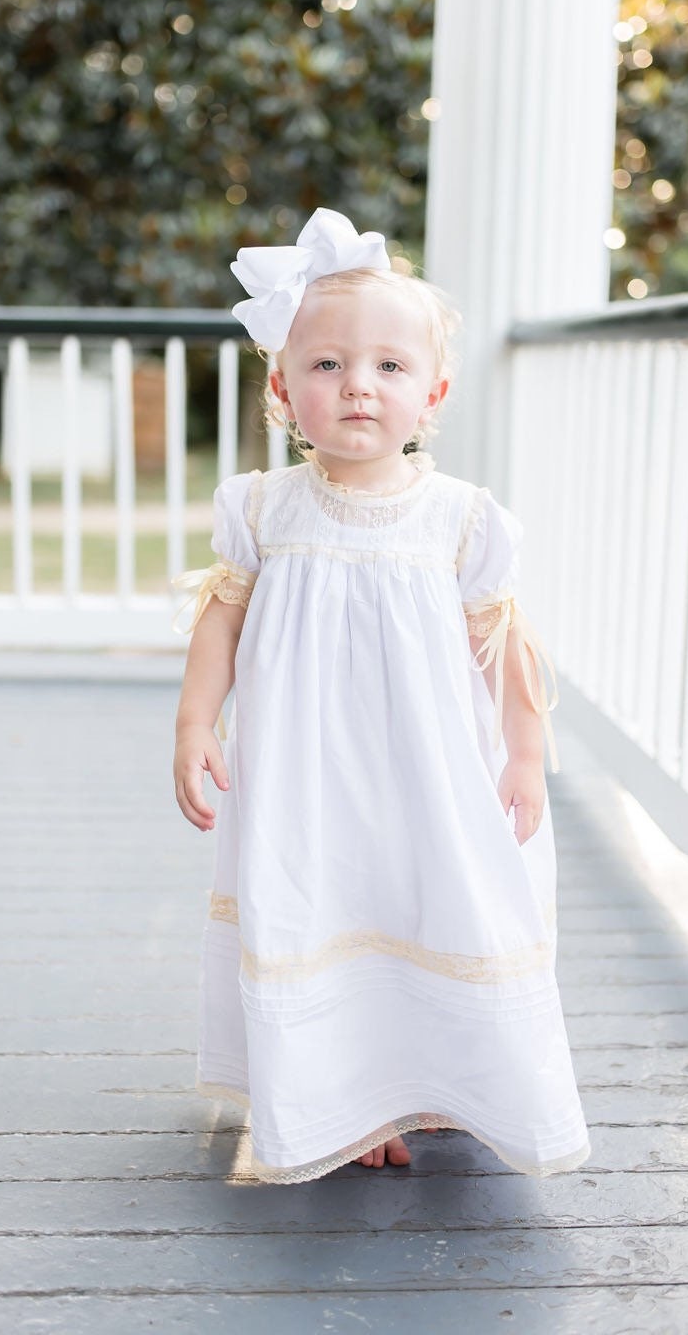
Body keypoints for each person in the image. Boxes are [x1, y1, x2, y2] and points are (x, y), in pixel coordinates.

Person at [171, 207, 591, 1183]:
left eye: (389, 367)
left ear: (432, 392)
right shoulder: (263, 507)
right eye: (326, 365)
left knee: (436, 901)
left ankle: (444, 1081)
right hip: (305, 776)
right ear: (281, 389)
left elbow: (503, 646)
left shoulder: (461, 519)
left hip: (433, 774)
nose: (357, 383)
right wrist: (196, 722)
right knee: (326, 904)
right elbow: (220, 621)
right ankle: (346, 1100)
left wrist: (524, 753)